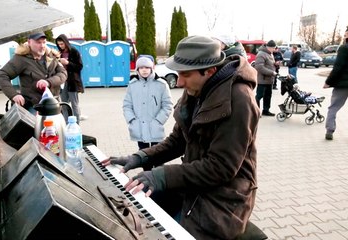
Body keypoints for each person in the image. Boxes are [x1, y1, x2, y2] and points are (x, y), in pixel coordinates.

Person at [102, 35, 260, 239]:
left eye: (185, 75)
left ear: (210, 70)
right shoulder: (197, 88)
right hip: (194, 185)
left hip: (223, 199)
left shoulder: (239, 99)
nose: (179, 82)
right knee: (134, 208)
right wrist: (141, 157)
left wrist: (162, 176)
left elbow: (221, 167)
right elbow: (177, 141)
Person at [123, 55, 173, 170]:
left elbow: (167, 105)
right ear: (137, 69)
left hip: (156, 127)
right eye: (141, 68)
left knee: (159, 157)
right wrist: (132, 120)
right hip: (139, 128)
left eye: (147, 67)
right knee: (144, 157)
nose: (144, 70)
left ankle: (159, 182)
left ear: (152, 68)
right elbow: (127, 105)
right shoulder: (132, 85)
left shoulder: (161, 84)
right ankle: (147, 182)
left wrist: (159, 120)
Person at [0, 32, 67, 113]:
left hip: (53, 105)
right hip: (33, 107)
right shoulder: (21, 58)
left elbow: (63, 73)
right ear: (29, 42)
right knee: (37, 126)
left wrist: (48, 82)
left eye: (44, 42)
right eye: (38, 42)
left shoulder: (51, 56)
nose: (42, 45)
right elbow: (2, 75)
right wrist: (14, 95)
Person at [323, 28, 348, 141]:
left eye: (346, 35)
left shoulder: (344, 48)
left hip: (342, 85)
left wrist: (328, 82)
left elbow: (338, 67)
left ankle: (329, 131)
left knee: (333, 108)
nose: (344, 37)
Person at [55, 34, 84, 123]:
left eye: (62, 44)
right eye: (59, 44)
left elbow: (79, 66)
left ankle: (76, 124)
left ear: (66, 43)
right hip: (63, 81)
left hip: (72, 81)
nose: (60, 46)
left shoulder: (74, 51)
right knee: (63, 103)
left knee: (74, 104)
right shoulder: (59, 53)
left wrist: (67, 63)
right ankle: (66, 123)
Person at [255, 40, 278, 116]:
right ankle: (256, 111)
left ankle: (266, 110)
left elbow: (270, 64)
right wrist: (272, 72)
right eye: (274, 48)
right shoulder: (261, 54)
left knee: (268, 96)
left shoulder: (270, 54)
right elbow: (259, 67)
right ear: (269, 47)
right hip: (263, 80)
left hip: (269, 80)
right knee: (259, 96)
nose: (274, 49)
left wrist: (275, 64)